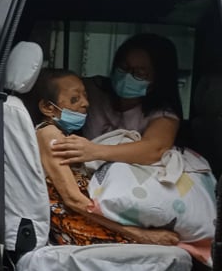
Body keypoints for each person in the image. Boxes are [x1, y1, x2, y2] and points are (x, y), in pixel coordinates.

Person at [25, 68, 178, 246]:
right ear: (48, 107)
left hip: (84, 216)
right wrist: (139, 234)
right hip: (76, 223)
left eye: (85, 96)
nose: (86, 104)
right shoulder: (50, 134)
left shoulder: (61, 135)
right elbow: (73, 199)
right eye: (75, 99)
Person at [51, 33, 182, 166]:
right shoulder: (90, 90)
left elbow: (155, 150)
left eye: (140, 73)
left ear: (158, 79)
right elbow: (50, 93)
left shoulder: (163, 114)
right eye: (123, 67)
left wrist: (94, 151)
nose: (127, 76)